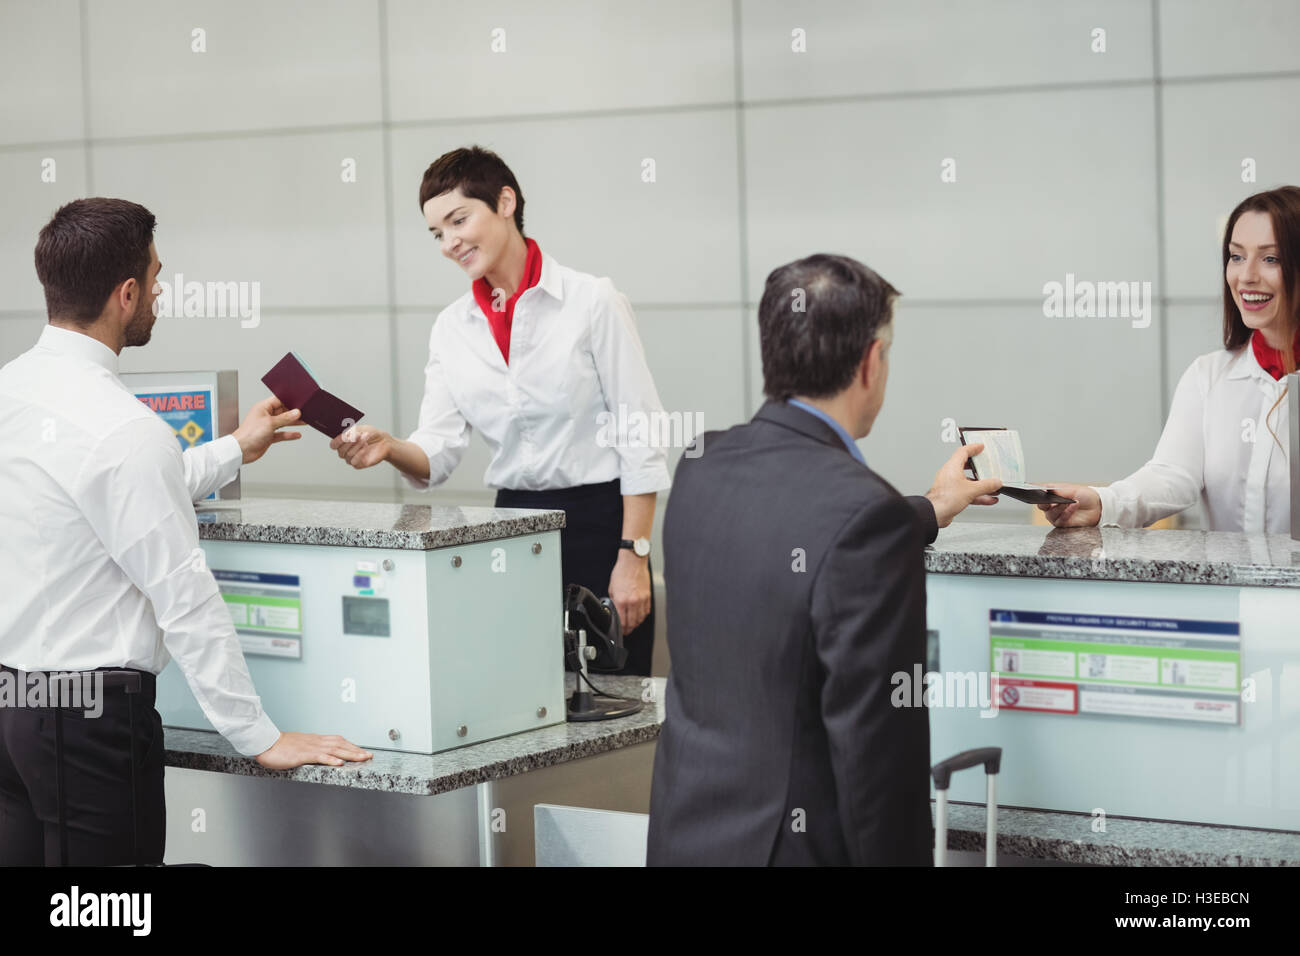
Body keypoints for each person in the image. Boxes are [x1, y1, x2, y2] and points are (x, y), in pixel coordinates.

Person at [0, 198, 372, 866]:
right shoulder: (124, 429)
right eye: (157, 277)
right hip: (91, 726)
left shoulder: (16, 392)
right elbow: (186, 600)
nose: (162, 293)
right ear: (127, 293)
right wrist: (258, 735)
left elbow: (105, 491)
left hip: (12, 708)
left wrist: (234, 446)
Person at [646, 254, 1001, 866]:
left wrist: (930, 508)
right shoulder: (866, 516)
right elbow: (878, 762)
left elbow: (794, 541)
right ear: (870, 363)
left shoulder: (703, 465)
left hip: (685, 839)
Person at [330, 146, 670, 675]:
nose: (449, 243)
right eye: (437, 233)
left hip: (601, 525)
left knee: (612, 702)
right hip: (511, 529)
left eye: (458, 220)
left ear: (506, 201)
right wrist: (391, 448)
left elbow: (640, 435)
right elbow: (437, 452)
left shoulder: (591, 301)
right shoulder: (452, 327)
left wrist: (634, 554)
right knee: (523, 705)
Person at [1040, 185, 1300, 532]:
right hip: (1236, 587)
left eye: (1271, 258)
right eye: (1237, 256)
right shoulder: (1208, 376)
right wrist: (1104, 503)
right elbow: (1172, 475)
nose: (1247, 276)